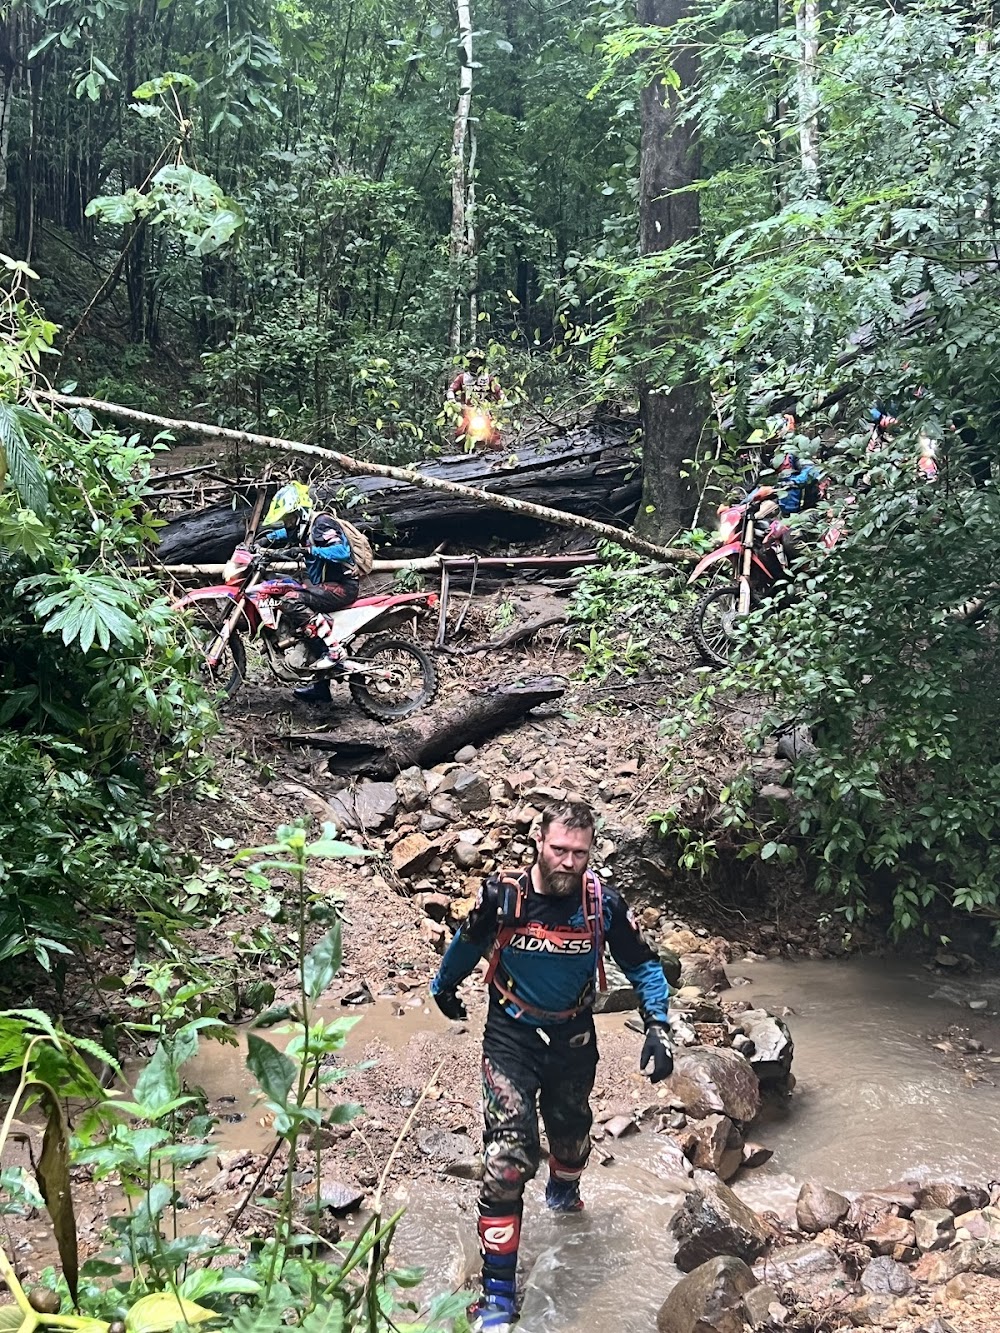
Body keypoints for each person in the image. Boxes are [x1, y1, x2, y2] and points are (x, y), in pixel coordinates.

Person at [430, 801, 673, 1332]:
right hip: (511, 1034)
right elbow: (466, 944)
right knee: (507, 1159)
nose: (567, 862)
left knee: (571, 1140)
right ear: (539, 842)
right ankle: (497, 1297)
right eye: (558, 849)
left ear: (590, 853)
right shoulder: (503, 898)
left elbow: (645, 964)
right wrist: (444, 988)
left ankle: (564, 1193)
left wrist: (659, 1024)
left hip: (573, 1034)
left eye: (578, 853)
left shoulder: (603, 905)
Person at [256, 482, 361, 704]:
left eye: (290, 517)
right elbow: (287, 533)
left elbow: (342, 551)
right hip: (324, 586)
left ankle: (334, 650)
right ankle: (321, 689)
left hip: (342, 587)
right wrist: (267, 540)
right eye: (285, 519)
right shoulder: (304, 527)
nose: (288, 523)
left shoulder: (322, 524)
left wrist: (308, 550)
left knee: (292, 599)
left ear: (301, 512)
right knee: (302, 623)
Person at [446, 347, 503, 449]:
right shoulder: (462, 378)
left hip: (485, 411)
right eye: (472, 361)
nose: (475, 365)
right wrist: (452, 401)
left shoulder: (488, 378)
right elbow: (451, 390)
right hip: (468, 411)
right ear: (468, 362)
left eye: (477, 362)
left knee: (495, 438)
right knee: (459, 433)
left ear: (482, 363)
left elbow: (499, 391)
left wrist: (502, 401)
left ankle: (499, 455)